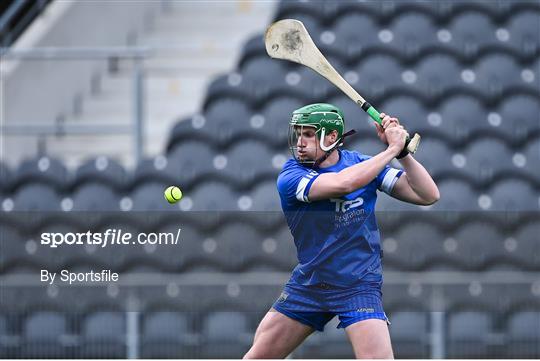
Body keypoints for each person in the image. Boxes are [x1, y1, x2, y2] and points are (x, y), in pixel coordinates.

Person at [244, 103, 440, 359]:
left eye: (308, 134)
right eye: (298, 134)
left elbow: (428, 195)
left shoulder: (362, 164)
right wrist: (391, 148)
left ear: (332, 137)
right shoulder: (291, 175)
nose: (300, 142)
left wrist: (403, 153)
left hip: (358, 284)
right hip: (311, 282)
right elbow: (343, 184)